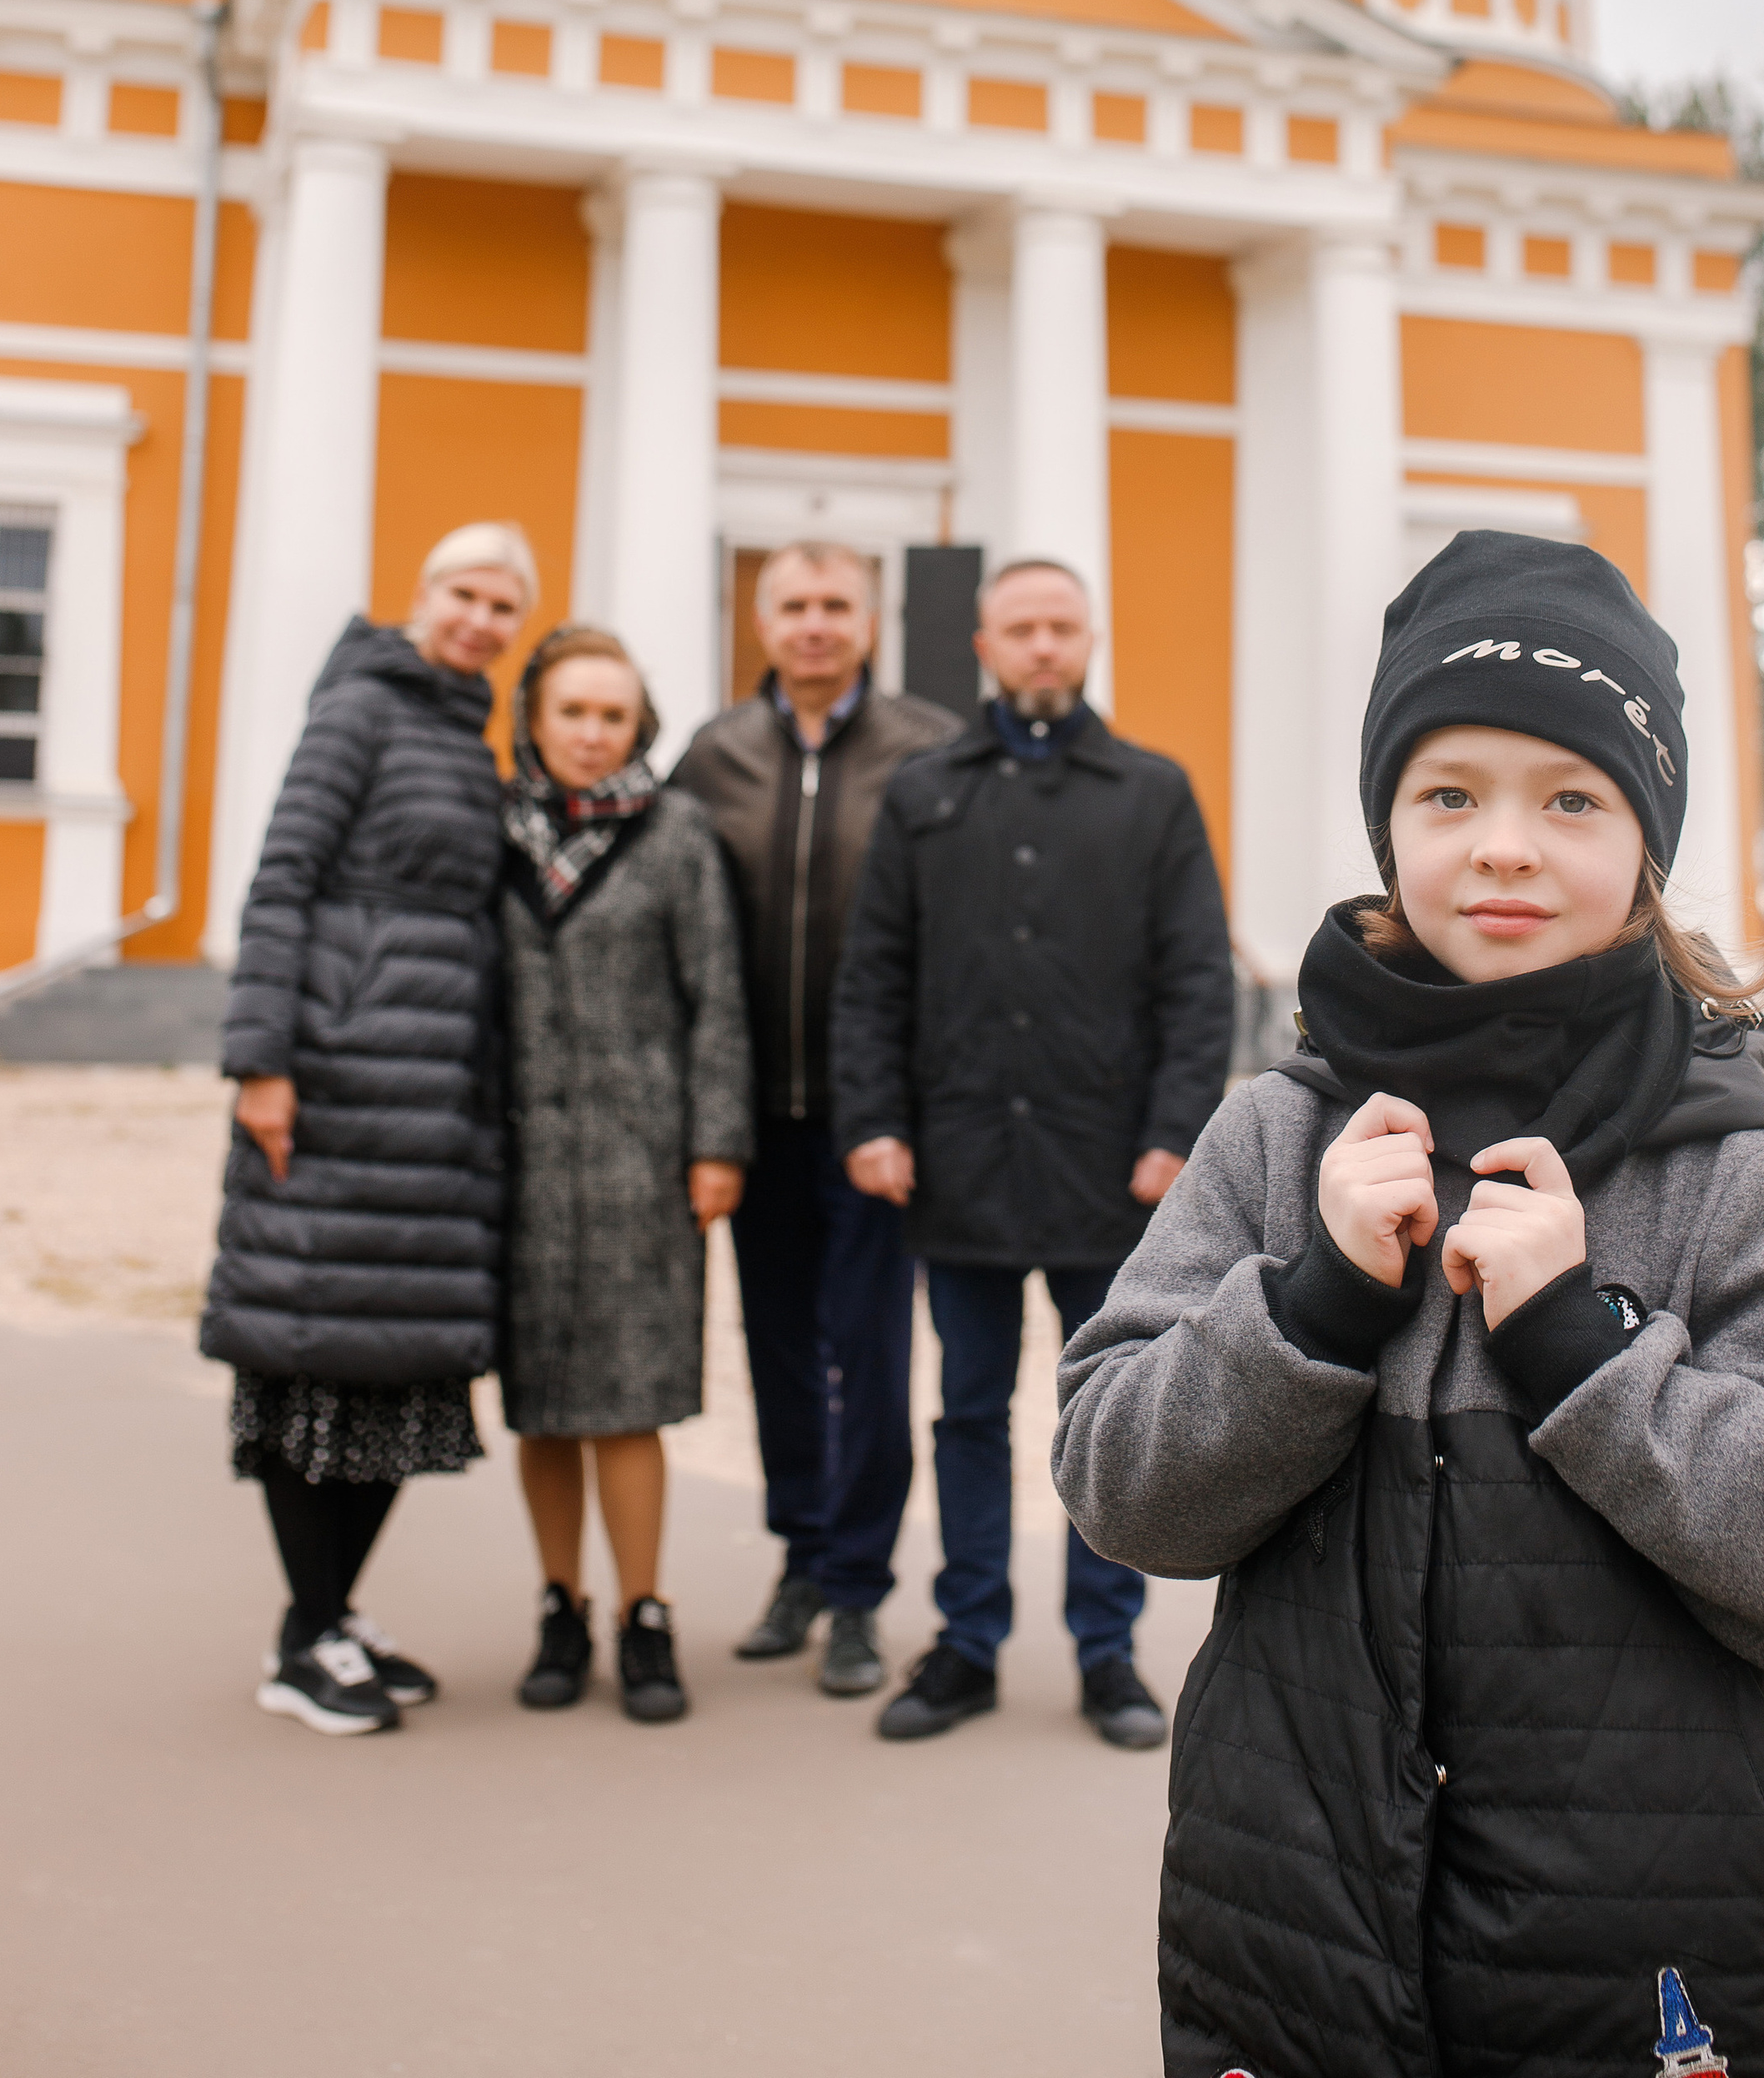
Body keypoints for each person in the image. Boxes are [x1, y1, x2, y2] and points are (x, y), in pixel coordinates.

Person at [1051, 530, 1764, 2078]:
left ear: (1644, 846)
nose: (1507, 846)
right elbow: (1121, 1494)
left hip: (1658, 1981)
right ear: (1390, 827)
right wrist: (1312, 1308)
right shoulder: (1280, 1137)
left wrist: (1592, 1358)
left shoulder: (1730, 1166)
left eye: (1572, 798)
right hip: (1294, 1957)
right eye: (1450, 792)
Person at [829, 556, 1235, 1749]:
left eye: (1062, 626)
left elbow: (1196, 983)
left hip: (1111, 1170)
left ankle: (1107, 1652)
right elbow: (875, 977)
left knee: (1106, 1414)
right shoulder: (924, 792)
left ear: (1091, 638)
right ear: (987, 647)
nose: (1043, 647)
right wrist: (875, 1121)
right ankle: (965, 1642)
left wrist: (1174, 1136)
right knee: (964, 1407)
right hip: (955, 1157)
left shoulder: (1153, 793)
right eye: (1023, 629)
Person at [202, 522, 536, 1736]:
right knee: (313, 1349)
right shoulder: (357, 708)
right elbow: (281, 878)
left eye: (504, 606)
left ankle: (334, 1618)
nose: (480, 619)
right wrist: (262, 1062)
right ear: (420, 595)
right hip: (339, 1087)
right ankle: (304, 1639)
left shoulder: (459, 727)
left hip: (433, 1102)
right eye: (463, 593)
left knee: (398, 1362)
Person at [674, 543, 959, 1699]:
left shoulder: (926, 750)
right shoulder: (714, 755)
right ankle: (799, 1556)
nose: (814, 624)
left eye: (836, 604)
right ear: (760, 615)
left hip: (873, 1118)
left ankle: (856, 1591)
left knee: (872, 1356)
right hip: (757, 1114)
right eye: (793, 604)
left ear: (871, 618)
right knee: (780, 1351)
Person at [499, 624, 755, 1721]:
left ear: (638, 726)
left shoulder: (675, 834)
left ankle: (643, 1612)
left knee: (627, 1405)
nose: (593, 735)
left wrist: (716, 1145)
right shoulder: (493, 834)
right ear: (535, 723)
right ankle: (560, 1605)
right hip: (517, 1163)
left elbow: (717, 1000)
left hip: (643, 1162)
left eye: (613, 716)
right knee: (542, 1408)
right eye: (573, 714)